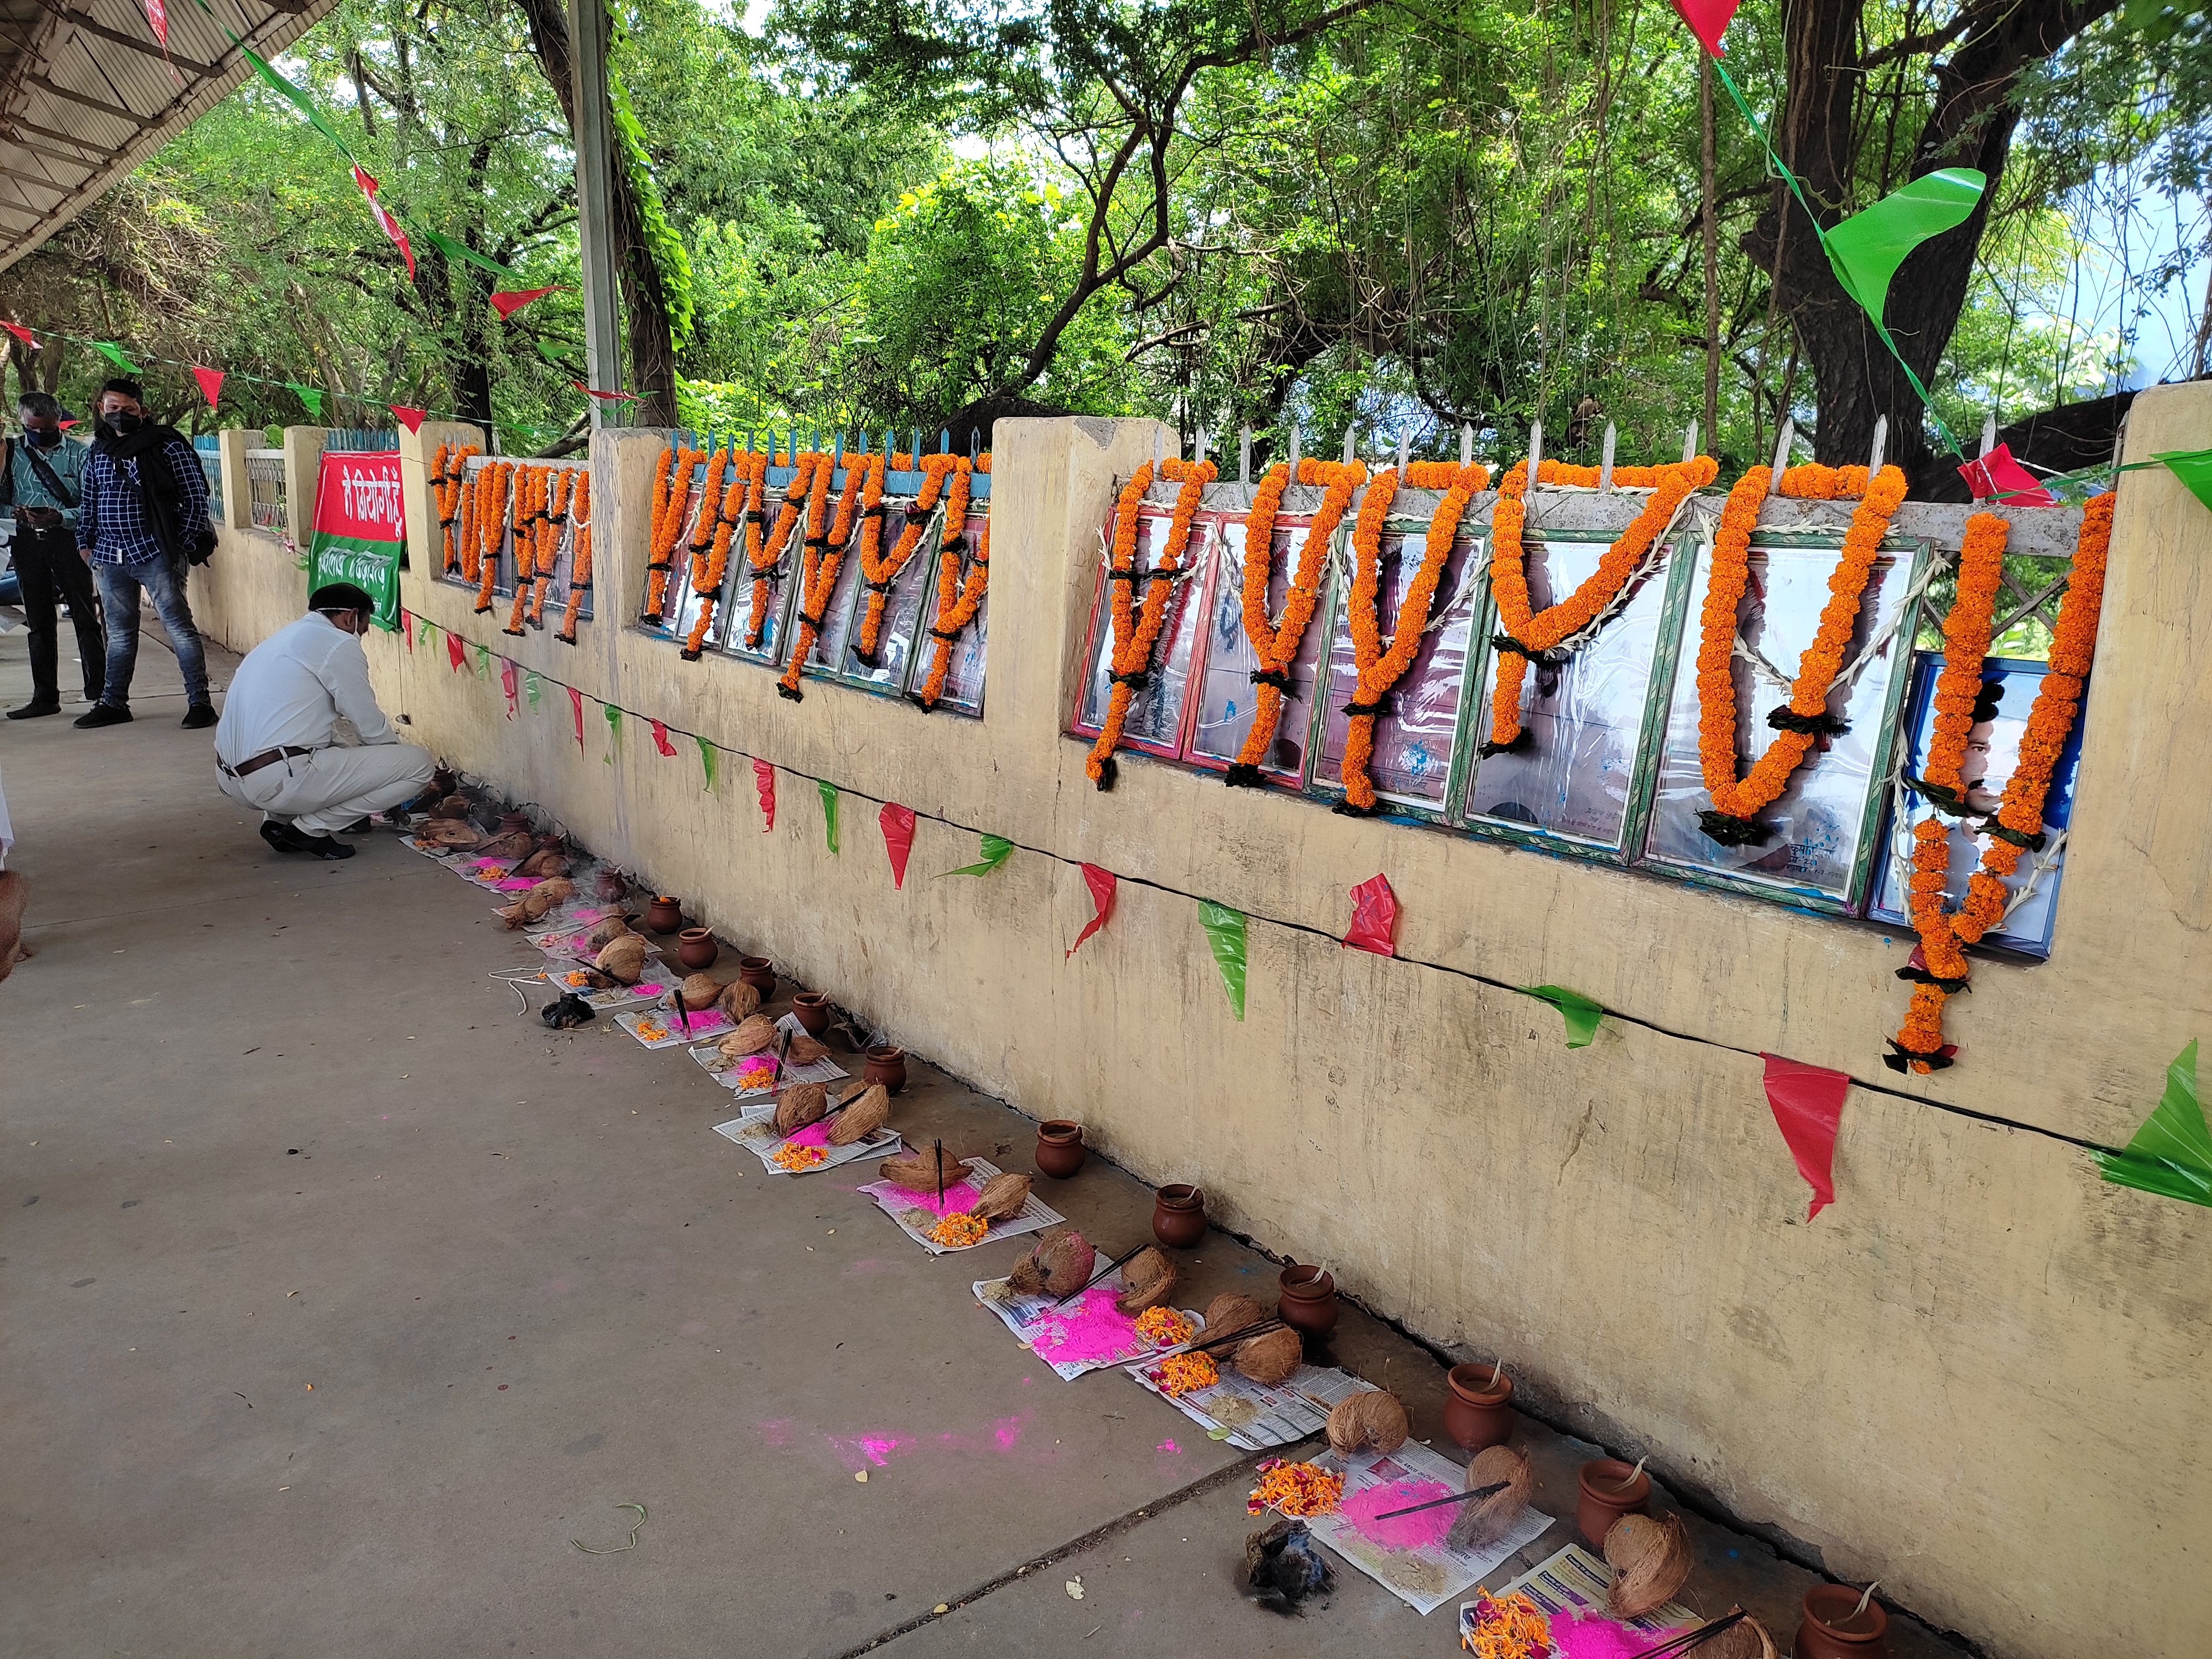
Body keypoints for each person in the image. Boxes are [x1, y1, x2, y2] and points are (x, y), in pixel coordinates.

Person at [214, 582, 435, 861]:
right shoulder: (338, 642)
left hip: (232, 780)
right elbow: (368, 724)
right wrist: (393, 778)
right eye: (363, 629)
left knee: (332, 749)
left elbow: (310, 732)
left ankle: (278, 822)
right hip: (274, 781)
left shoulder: (285, 638)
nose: (361, 637)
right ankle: (310, 829)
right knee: (419, 765)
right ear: (350, 617)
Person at [72, 378, 215, 730]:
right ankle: (114, 703)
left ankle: (200, 702)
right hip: (108, 557)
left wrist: (177, 545)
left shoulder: (167, 446)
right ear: (102, 410)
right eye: (113, 409)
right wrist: (85, 545)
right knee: (119, 635)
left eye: (128, 409)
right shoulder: (98, 450)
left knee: (179, 629)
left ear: (143, 411)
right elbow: (89, 501)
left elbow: (196, 498)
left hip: (156, 554)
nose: (120, 416)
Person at [4, 392, 103, 718]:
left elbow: (92, 505)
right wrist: (17, 512)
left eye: (49, 428)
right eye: (35, 429)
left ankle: (99, 693)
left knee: (85, 617)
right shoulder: (10, 453)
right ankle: (45, 696)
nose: (42, 435)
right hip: (26, 542)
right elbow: (0, 500)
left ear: (58, 422)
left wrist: (60, 517)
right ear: (22, 423)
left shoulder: (80, 453)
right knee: (39, 621)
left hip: (68, 541)